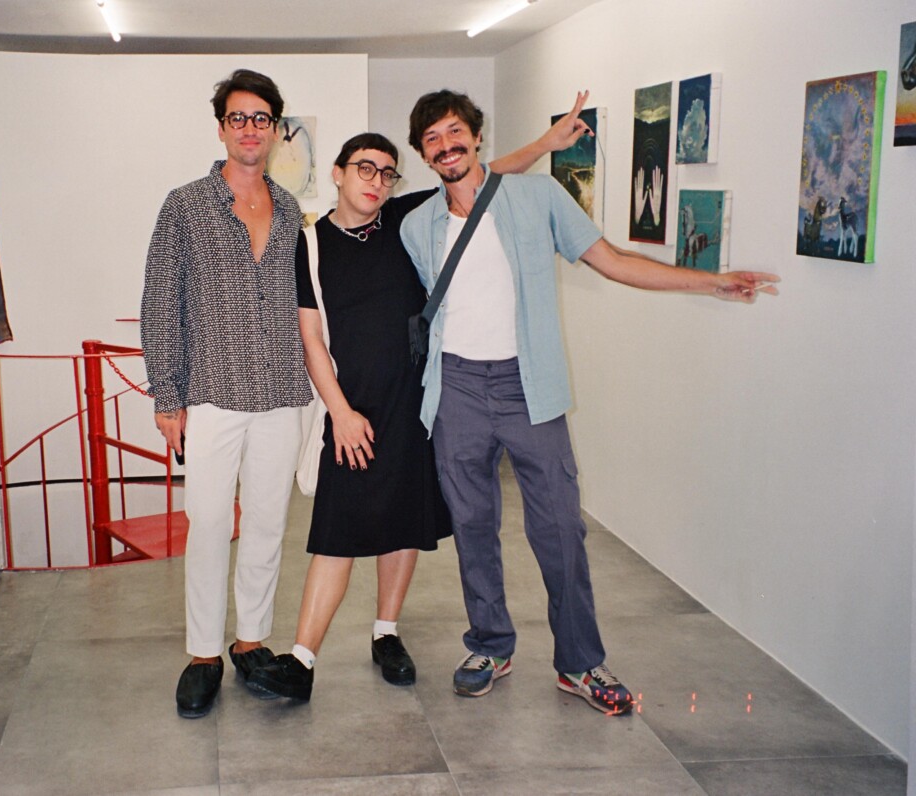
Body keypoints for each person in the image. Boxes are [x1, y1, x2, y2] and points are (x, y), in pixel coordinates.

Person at [399, 89, 779, 714]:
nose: (446, 146)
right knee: (472, 525)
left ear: (476, 135)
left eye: (453, 131)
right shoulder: (418, 226)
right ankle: (490, 645)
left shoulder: (537, 197)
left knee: (560, 527)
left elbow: (614, 261)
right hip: (457, 388)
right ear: (422, 153)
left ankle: (579, 662)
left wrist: (710, 283)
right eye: (432, 139)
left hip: (528, 383)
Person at [247, 99, 596, 702]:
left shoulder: (405, 219)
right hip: (353, 410)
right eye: (364, 168)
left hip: (417, 402)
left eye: (387, 172)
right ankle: (302, 659)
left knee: (403, 524)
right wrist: (340, 413)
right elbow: (311, 340)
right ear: (337, 173)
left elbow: (480, 177)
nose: (377, 181)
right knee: (337, 528)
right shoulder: (309, 245)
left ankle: (386, 633)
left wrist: (545, 144)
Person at [140, 69, 312, 719]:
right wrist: (167, 398)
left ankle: (250, 642)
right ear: (221, 129)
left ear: (275, 130)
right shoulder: (185, 206)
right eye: (238, 118)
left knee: (267, 524)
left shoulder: (290, 210)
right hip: (211, 393)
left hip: (281, 393)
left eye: (261, 118)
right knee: (210, 524)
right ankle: (204, 654)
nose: (249, 129)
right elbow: (161, 304)